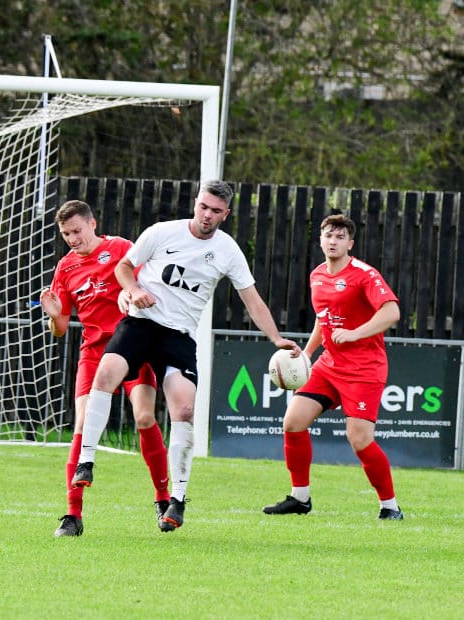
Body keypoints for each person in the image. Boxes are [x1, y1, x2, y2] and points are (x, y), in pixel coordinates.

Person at [70, 179, 301, 532]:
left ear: (225, 214)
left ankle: (176, 501)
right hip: (140, 323)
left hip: (178, 336)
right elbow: (124, 268)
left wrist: (276, 339)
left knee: (184, 410)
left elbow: (252, 300)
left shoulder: (227, 250)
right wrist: (133, 289)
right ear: (196, 203)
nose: (207, 215)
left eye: (215, 211)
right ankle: (86, 461)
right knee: (105, 375)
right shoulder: (162, 232)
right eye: (203, 207)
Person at [39, 200, 171, 538]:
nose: (72, 239)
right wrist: (54, 316)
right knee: (83, 423)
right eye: (66, 234)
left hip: (133, 346)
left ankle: (163, 498)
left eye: (77, 231)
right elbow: (61, 329)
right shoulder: (65, 268)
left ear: (92, 224)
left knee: (145, 418)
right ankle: (72, 515)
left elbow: (148, 287)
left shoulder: (122, 249)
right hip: (95, 354)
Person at [262, 212, 404, 520]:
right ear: (320, 240)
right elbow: (322, 318)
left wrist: (354, 333)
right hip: (329, 365)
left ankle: (390, 506)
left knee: (359, 438)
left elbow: (391, 312)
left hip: (365, 368)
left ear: (350, 243)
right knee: (293, 421)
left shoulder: (364, 274)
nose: (333, 241)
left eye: (340, 237)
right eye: (329, 235)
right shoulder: (317, 275)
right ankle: (300, 498)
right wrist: (307, 353)